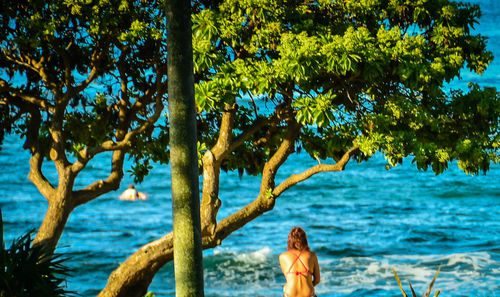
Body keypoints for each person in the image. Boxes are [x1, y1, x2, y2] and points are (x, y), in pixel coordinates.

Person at [279, 226, 320, 297]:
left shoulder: (283, 257)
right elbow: (317, 280)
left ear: (289, 240)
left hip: (290, 294)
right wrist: (308, 285)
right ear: (305, 240)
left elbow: (289, 278)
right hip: (308, 294)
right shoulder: (312, 255)